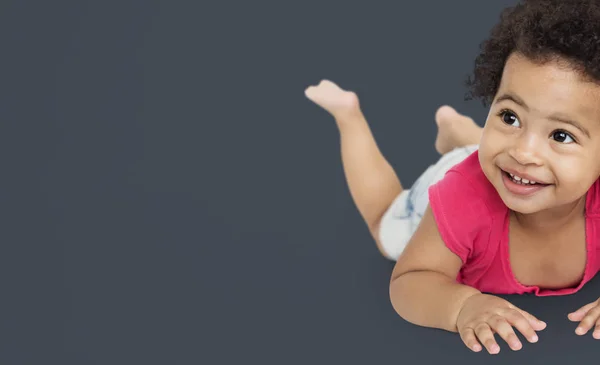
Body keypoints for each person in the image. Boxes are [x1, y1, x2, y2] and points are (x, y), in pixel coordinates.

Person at [305, 0, 600, 355]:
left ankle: (457, 132)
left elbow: (516, 155)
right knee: (386, 230)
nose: (525, 151)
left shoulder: (527, 162)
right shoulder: (460, 204)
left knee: (502, 155)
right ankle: (348, 115)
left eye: (561, 136)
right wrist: (460, 306)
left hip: (502, 169)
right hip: (469, 181)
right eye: (509, 116)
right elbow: (409, 281)